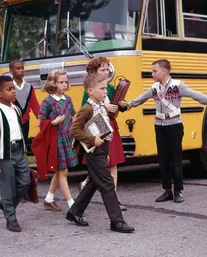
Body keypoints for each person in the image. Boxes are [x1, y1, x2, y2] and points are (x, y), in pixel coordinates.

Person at [124, 59, 207, 203]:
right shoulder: (154, 88)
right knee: (163, 159)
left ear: (164, 72)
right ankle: (167, 191)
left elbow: (196, 95)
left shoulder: (177, 86)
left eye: (154, 71)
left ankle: (178, 191)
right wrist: (128, 104)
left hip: (174, 125)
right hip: (159, 125)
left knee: (175, 159)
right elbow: (141, 99)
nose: (152, 73)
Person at [68, 73, 134, 233]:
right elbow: (74, 131)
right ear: (90, 91)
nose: (106, 91)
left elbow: (105, 131)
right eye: (102, 88)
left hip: (102, 150)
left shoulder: (101, 106)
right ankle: (117, 221)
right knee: (107, 183)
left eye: (105, 88)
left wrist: (107, 152)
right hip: (93, 151)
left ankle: (74, 212)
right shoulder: (86, 109)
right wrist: (92, 139)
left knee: (94, 182)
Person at [78, 57, 128, 211]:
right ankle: (87, 184)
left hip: (111, 126)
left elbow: (118, 104)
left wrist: (123, 105)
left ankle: (114, 199)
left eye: (108, 69)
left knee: (113, 165)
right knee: (101, 166)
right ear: (94, 73)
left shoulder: (111, 88)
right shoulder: (89, 90)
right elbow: (85, 112)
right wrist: (106, 108)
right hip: (97, 130)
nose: (107, 72)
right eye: (103, 70)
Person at [0, 75, 30, 232]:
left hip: (18, 150)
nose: (13, 92)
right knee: (7, 186)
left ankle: (6, 204)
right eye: (9, 89)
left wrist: (23, 151)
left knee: (25, 181)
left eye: (13, 88)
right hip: (4, 154)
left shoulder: (16, 109)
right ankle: (11, 219)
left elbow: (19, 132)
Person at [37, 69, 77, 211]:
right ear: (53, 83)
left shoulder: (68, 99)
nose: (64, 85)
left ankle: (48, 199)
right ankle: (71, 203)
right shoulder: (47, 101)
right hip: (56, 141)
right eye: (61, 82)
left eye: (66, 82)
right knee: (63, 171)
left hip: (67, 138)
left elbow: (73, 116)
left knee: (60, 172)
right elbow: (39, 122)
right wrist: (53, 122)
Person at [9, 60, 40, 146]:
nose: (21, 70)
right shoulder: (7, 87)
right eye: (18, 68)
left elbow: (35, 106)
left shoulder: (29, 87)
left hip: (25, 122)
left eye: (22, 68)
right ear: (11, 71)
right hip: (11, 122)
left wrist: (43, 119)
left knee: (24, 145)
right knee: (13, 145)